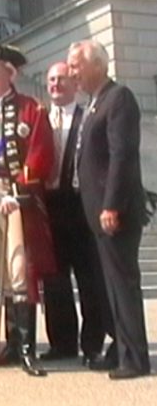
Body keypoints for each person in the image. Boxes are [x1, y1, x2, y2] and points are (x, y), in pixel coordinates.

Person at [0, 44, 56, 377]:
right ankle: (13, 343)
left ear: (10, 73)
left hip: (15, 196)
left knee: (20, 269)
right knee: (2, 273)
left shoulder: (31, 109)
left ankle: (29, 349)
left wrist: (20, 192)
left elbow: (40, 153)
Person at [68, 40, 150, 380]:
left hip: (114, 212)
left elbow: (122, 155)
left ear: (97, 65)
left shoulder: (119, 99)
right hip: (96, 213)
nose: (72, 72)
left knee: (122, 284)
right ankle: (120, 349)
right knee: (109, 286)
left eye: (76, 66)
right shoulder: (93, 102)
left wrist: (112, 204)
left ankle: (135, 358)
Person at [40, 61, 109, 364]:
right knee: (54, 280)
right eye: (51, 80)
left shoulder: (88, 117)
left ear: (75, 84)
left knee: (89, 278)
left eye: (62, 79)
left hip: (80, 205)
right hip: (49, 205)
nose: (55, 84)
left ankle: (92, 342)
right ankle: (62, 343)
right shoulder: (39, 118)